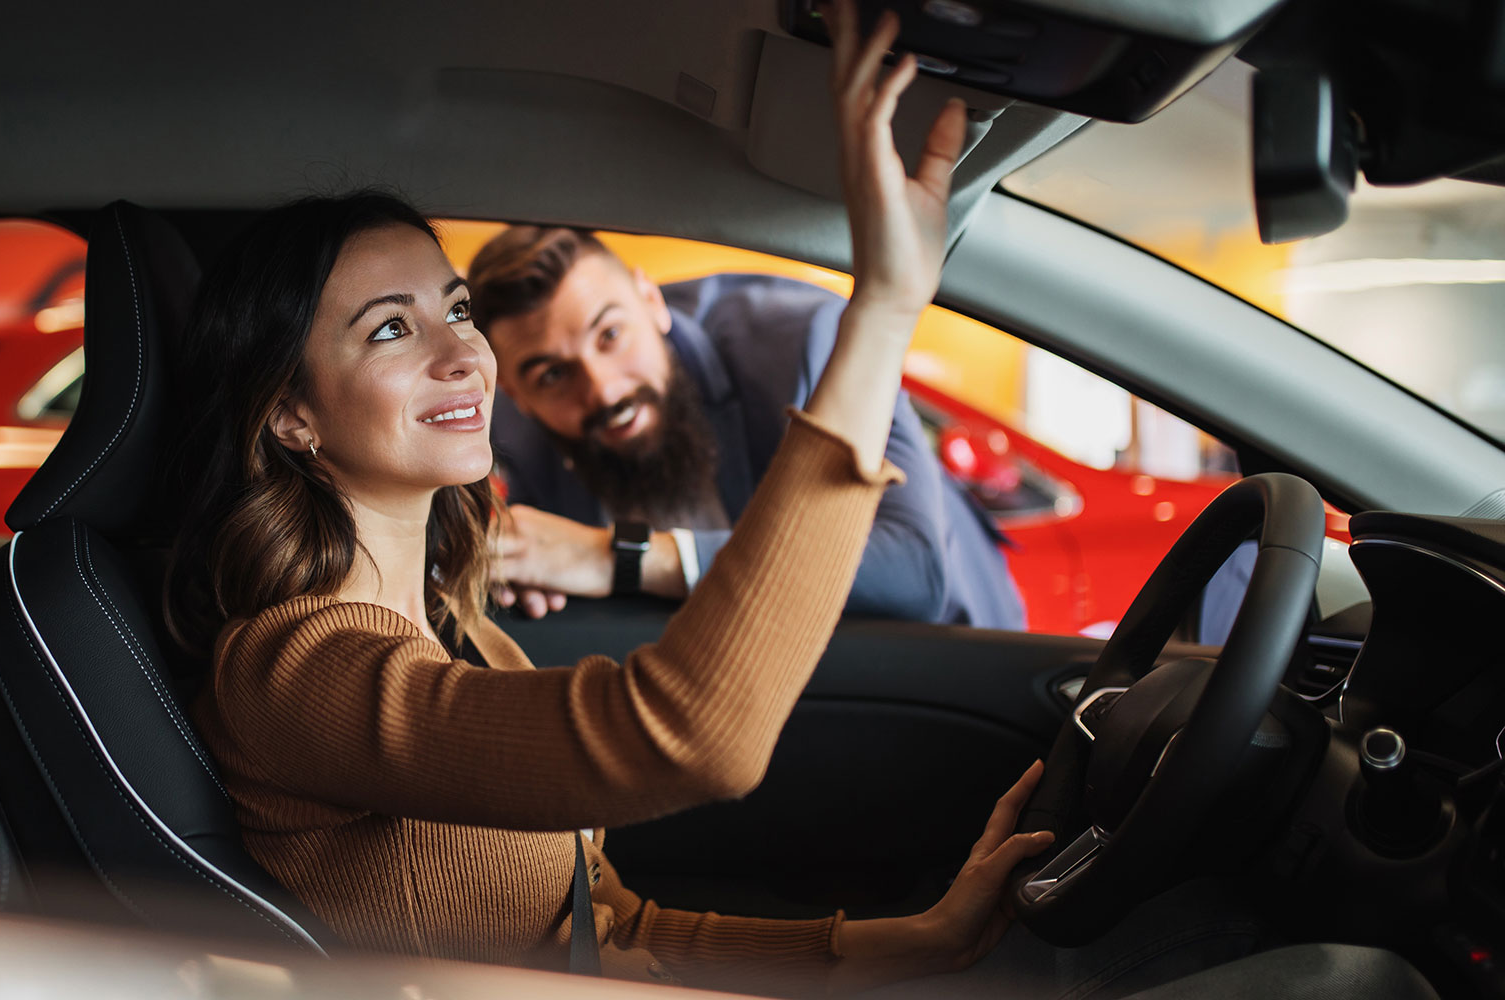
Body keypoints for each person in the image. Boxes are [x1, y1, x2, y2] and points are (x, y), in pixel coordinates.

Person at [155, 2, 1197, 994]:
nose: (461, 354)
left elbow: (610, 935)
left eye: (454, 308)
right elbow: (690, 734)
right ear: (290, 415)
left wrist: (911, 942)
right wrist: (883, 306)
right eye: (390, 328)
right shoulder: (293, 671)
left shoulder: (454, 627)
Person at [468, 231, 1027, 631]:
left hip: (943, 675)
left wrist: (616, 557)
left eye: (611, 334)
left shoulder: (807, 345)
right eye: (553, 375)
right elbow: (540, 566)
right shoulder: (511, 430)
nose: (604, 391)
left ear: (651, 301)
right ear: (516, 393)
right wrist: (518, 575)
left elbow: (912, 573)